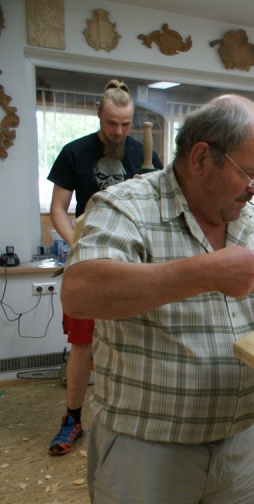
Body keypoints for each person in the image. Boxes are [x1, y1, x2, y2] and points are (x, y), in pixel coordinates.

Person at [60, 94, 254, 504]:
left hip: (239, 441)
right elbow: (80, 294)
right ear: (201, 157)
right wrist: (204, 272)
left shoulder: (250, 220)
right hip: (147, 446)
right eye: (250, 173)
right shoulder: (127, 206)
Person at [47, 79, 164, 456]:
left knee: (137, 338)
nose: (119, 131)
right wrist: (80, 246)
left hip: (132, 264)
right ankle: (72, 419)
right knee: (82, 344)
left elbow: (160, 207)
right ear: (99, 114)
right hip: (89, 262)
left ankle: (136, 418)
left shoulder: (144, 154)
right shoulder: (75, 152)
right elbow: (58, 209)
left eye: (126, 124)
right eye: (112, 123)